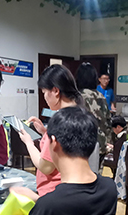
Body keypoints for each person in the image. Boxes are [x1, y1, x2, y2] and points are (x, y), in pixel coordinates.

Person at [5, 107, 117, 215]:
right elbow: (76, 206)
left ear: (54, 143)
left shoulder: (50, 207)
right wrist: (39, 199)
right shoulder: (109, 189)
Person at [19, 65, 83, 198]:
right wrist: (45, 133)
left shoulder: (59, 122)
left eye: (44, 92)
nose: (44, 97)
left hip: (53, 192)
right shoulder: (80, 115)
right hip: (71, 189)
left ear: (55, 91)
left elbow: (46, 167)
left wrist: (28, 143)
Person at [76, 63, 113, 159]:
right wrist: (107, 141)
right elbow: (108, 122)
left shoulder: (77, 97)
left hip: (80, 146)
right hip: (100, 144)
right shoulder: (101, 96)